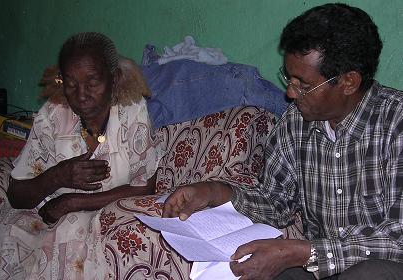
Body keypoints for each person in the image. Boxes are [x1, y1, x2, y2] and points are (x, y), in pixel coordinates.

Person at [163, 3, 403, 280]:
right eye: (288, 78)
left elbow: (398, 238)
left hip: (385, 266)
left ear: (349, 82)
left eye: (303, 84)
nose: (290, 93)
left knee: (368, 274)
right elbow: (275, 203)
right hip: (321, 268)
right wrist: (214, 192)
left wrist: (304, 253)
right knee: (251, 270)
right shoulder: (295, 121)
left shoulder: (395, 123)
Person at [0, 32, 160, 279]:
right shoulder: (53, 116)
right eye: (71, 84)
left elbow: (147, 187)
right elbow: (16, 195)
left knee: (73, 225)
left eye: (92, 82)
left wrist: (73, 203)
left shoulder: (131, 113)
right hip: (45, 213)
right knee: (11, 230)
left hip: (101, 214)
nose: (81, 95)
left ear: (115, 79)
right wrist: (57, 177)